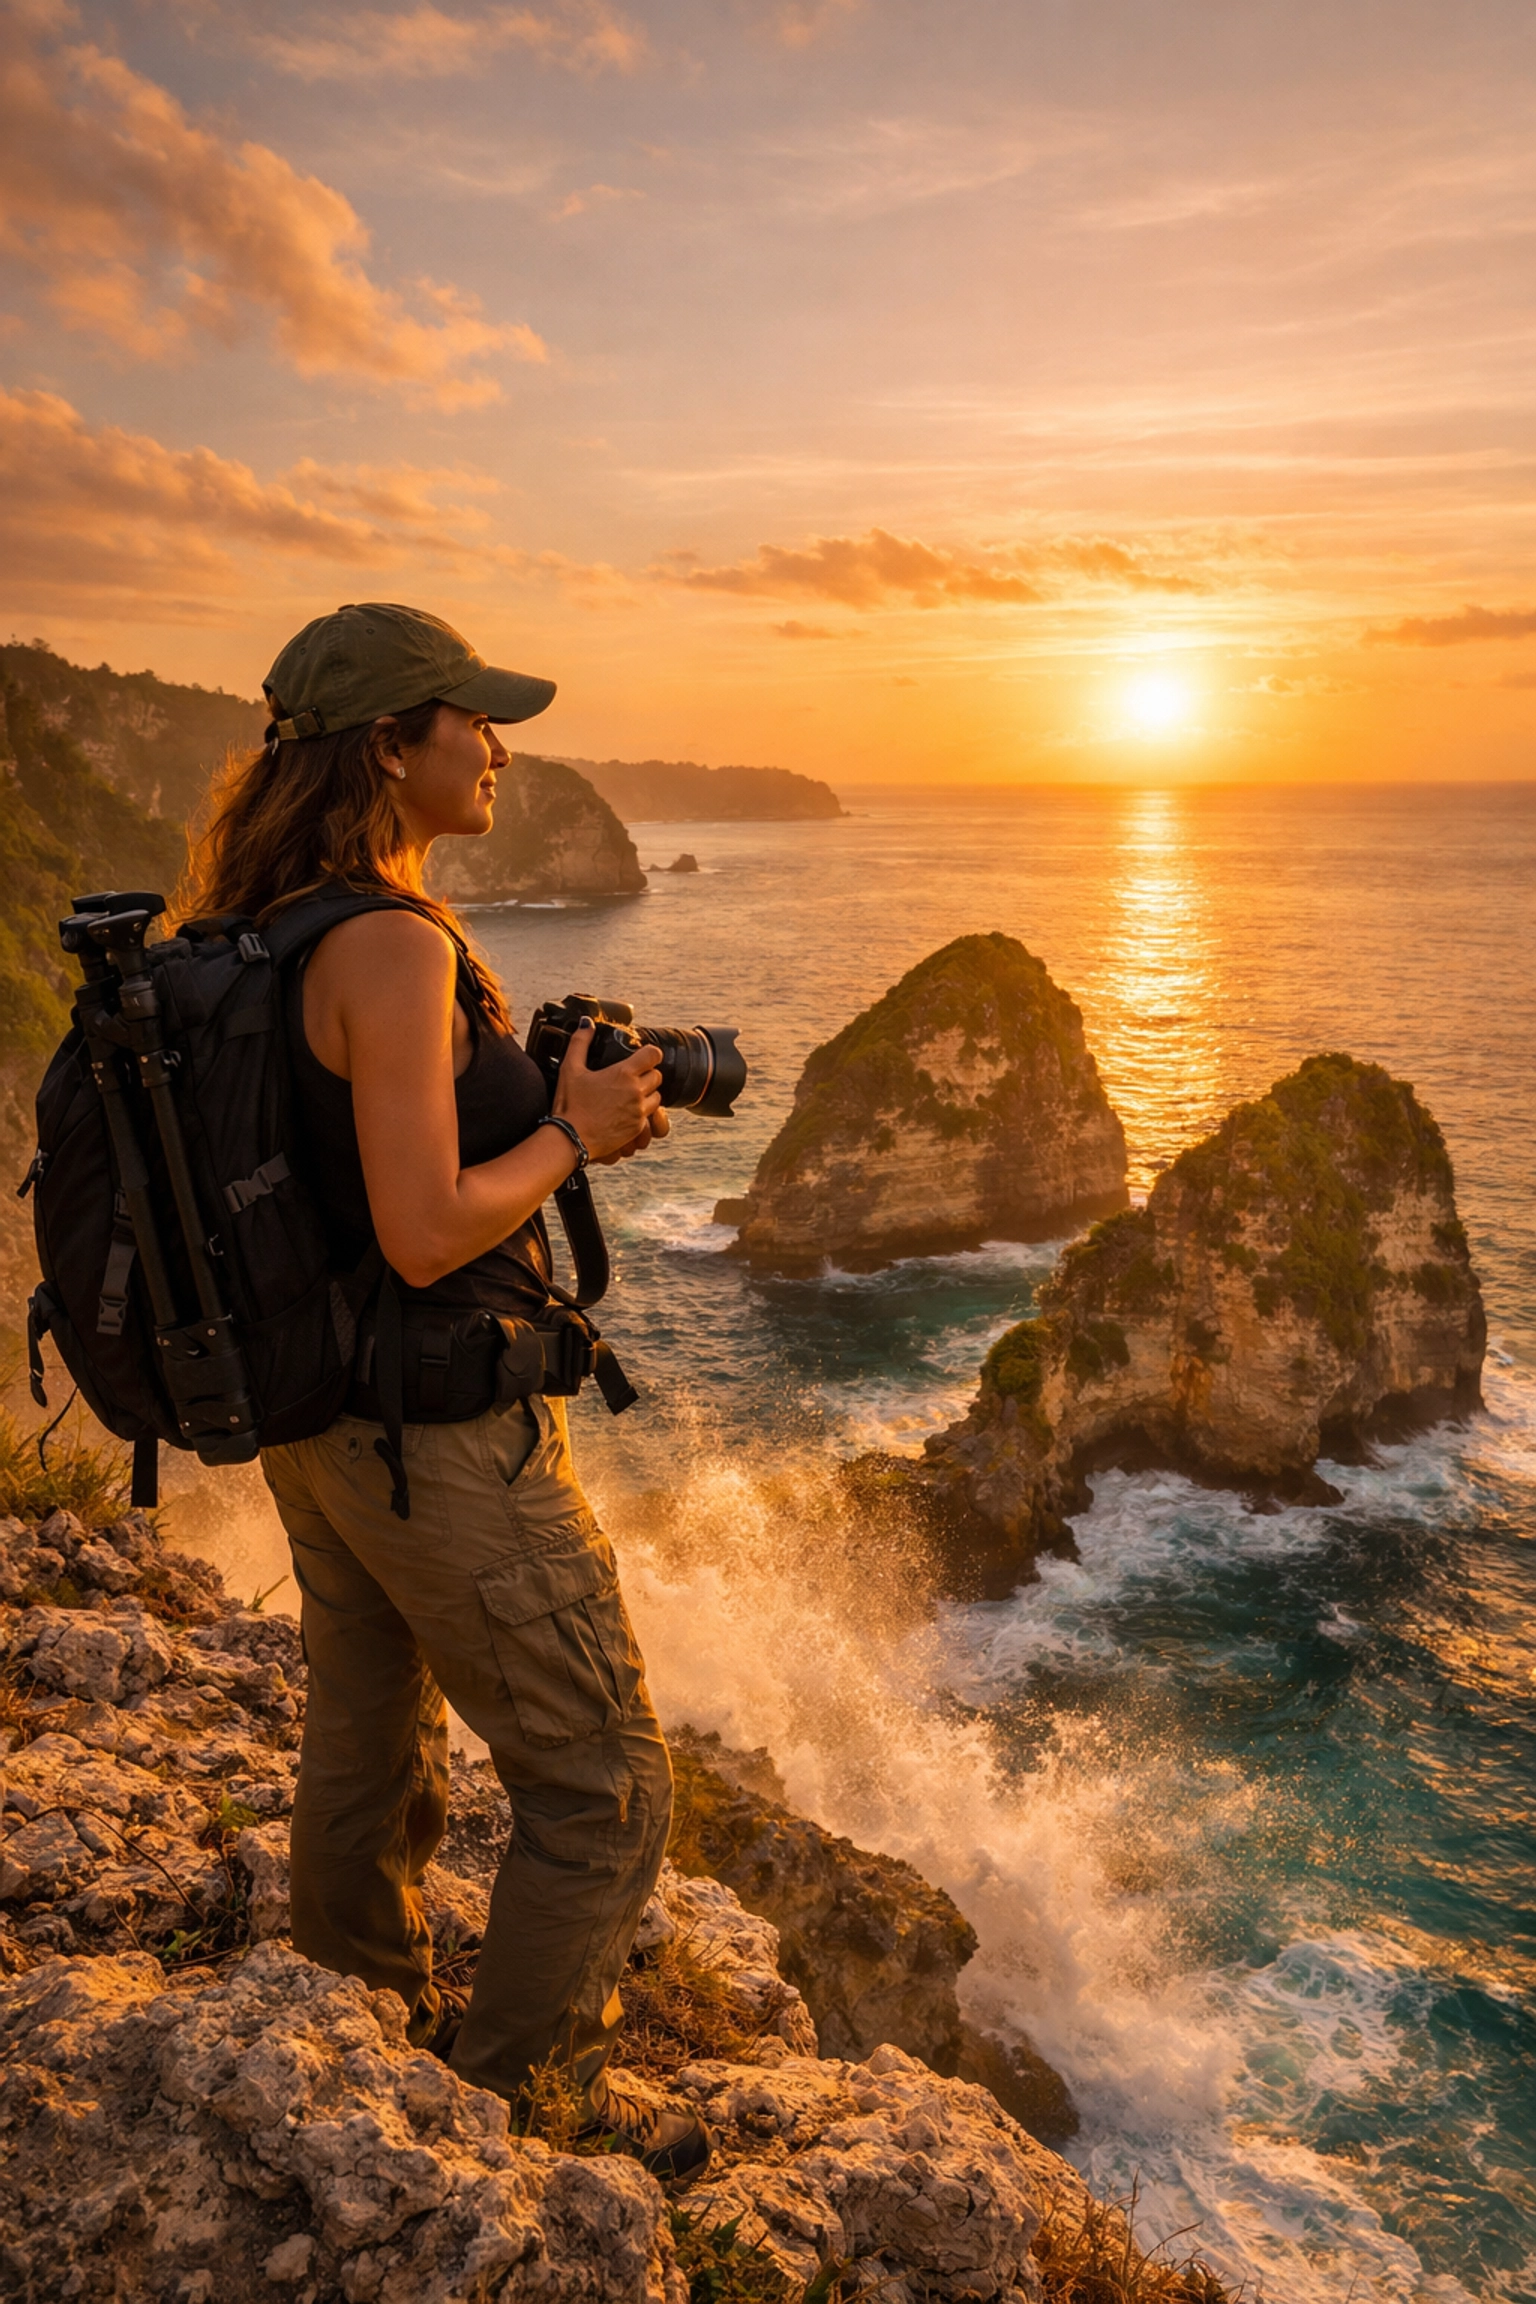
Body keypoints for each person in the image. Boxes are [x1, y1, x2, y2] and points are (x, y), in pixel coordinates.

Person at [179, 602, 708, 2181]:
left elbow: (352, 1185)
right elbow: (421, 1231)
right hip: (436, 1441)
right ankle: (517, 2131)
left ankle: (349, 2052)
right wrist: (573, 1137)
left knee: (367, 1737)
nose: (498, 746)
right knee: (606, 1785)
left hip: (318, 1434)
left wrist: (529, 1107)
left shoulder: (253, 935)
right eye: (472, 720)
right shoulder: (395, 947)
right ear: (388, 746)